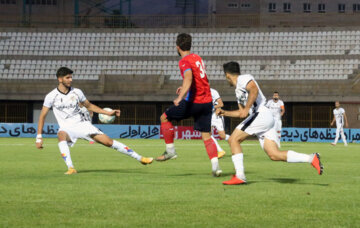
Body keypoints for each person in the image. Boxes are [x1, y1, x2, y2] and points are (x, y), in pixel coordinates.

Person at [216, 62, 323, 185]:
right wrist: (224, 113)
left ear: (227, 75)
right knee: (274, 155)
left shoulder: (243, 78)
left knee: (233, 140)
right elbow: (242, 113)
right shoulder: (238, 91)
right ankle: (311, 158)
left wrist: (247, 109)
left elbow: (254, 90)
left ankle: (240, 175)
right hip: (263, 118)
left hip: (261, 114)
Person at [35, 67, 153, 175]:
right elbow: (42, 116)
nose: (70, 80)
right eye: (67, 77)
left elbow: (89, 106)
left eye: (71, 77)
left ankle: (140, 158)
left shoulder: (77, 92)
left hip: (82, 125)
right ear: (60, 79)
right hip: (66, 127)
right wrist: (39, 137)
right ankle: (71, 167)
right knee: (61, 135)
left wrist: (108, 112)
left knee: (108, 142)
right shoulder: (51, 96)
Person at [155, 33, 222, 177]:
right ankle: (216, 167)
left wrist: (180, 97)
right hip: (206, 102)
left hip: (194, 102)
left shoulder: (184, 61)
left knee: (164, 117)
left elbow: (189, 77)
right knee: (207, 136)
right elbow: (198, 78)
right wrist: (185, 87)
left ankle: (170, 151)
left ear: (177, 47)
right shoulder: (197, 58)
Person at [210, 88, 230, 158]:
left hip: (216, 116)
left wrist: (211, 107)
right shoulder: (199, 92)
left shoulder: (213, 92)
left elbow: (221, 104)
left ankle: (233, 140)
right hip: (208, 116)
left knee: (222, 136)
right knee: (207, 134)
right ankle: (220, 151)